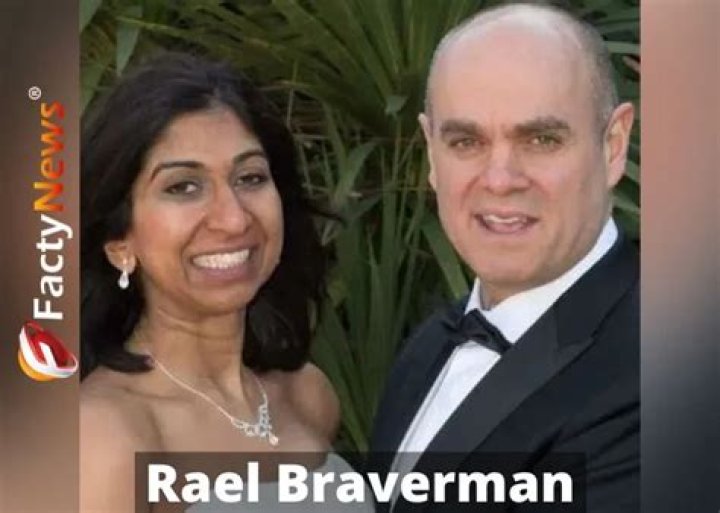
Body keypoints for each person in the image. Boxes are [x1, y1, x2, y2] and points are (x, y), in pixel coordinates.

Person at [369, 3, 638, 512]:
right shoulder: (428, 348)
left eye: (541, 139)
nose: (499, 179)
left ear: (612, 146)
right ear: (431, 153)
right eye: (466, 141)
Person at [80, 53, 370, 513]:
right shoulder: (103, 438)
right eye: (183, 187)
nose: (234, 219)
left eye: (250, 178)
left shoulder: (307, 395)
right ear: (119, 242)